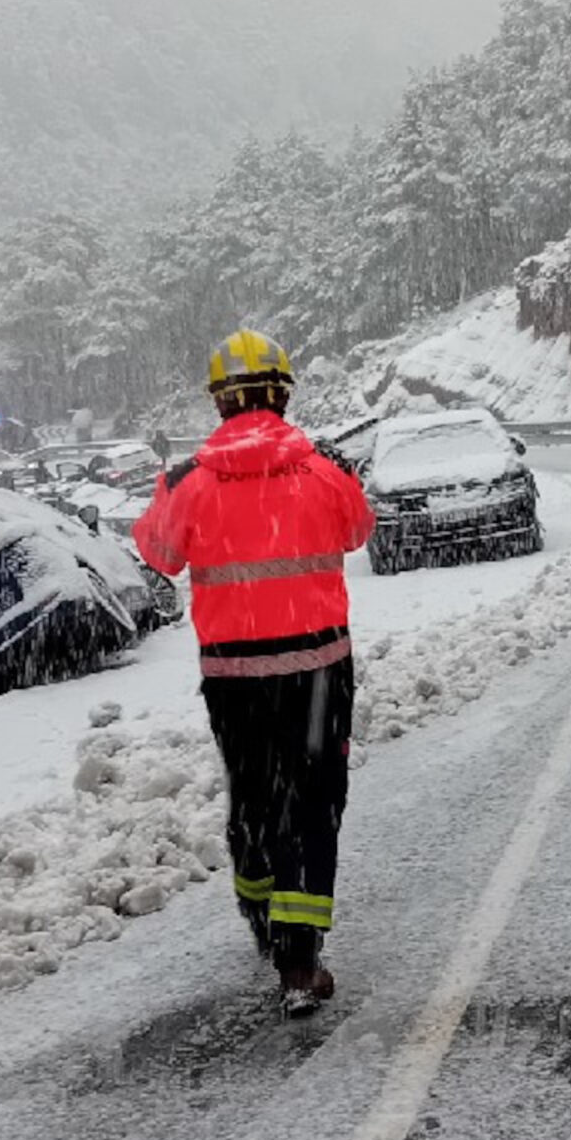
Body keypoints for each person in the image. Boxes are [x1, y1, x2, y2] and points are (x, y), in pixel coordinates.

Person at [132, 329, 375, 1018]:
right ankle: (299, 960)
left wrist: (173, 495)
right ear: (283, 393)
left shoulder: (188, 481)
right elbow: (357, 530)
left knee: (255, 795)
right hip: (317, 669)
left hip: (233, 676)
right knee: (314, 801)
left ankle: (259, 903)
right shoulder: (322, 469)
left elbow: (158, 553)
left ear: (218, 401)